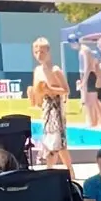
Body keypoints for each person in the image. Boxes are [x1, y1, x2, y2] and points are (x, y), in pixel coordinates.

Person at [30, 37, 71, 168]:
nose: (39, 55)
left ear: (48, 52)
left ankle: (49, 169)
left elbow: (66, 90)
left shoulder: (55, 70)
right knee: (59, 143)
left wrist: (50, 89)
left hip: (56, 107)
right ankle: (70, 169)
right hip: (46, 108)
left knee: (53, 142)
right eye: (36, 52)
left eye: (42, 52)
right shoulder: (37, 71)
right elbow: (37, 92)